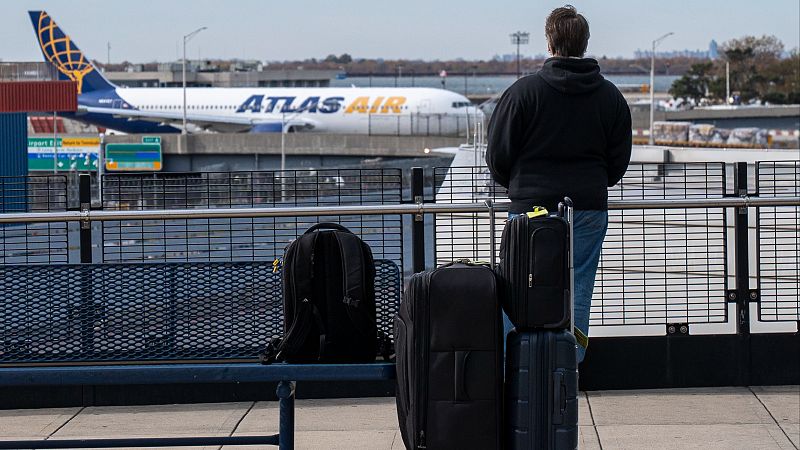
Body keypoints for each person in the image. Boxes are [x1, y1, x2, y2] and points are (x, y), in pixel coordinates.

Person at [486, 4, 632, 363]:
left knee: (518, 284)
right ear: (585, 43)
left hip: (529, 208)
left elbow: (498, 156)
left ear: (549, 43)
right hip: (587, 207)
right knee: (578, 287)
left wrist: (518, 188)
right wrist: (596, 183)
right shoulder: (610, 96)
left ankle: (516, 367)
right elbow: (618, 161)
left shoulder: (522, 93)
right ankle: (568, 368)